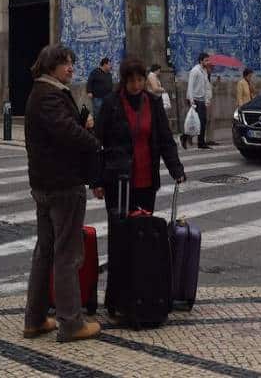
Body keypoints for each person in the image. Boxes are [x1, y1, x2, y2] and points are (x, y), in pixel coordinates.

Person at [24, 44, 101, 344]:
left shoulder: (42, 93)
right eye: (65, 63)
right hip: (62, 185)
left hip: (45, 185)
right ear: (50, 66)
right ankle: (71, 323)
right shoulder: (50, 96)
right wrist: (93, 138)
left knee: (45, 251)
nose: (71, 68)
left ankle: (35, 319)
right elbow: (67, 132)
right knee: (67, 254)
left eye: (71, 62)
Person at [93, 56, 185, 214]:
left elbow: (165, 139)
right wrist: (96, 181)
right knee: (121, 231)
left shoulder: (153, 103)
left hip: (147, 178)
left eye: (140, 80)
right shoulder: (111, 104)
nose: (136, 85)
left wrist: (176, 169)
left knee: (145, 230)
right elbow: (97, 142)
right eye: (131, 81)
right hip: (118, 180)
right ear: (124, 81)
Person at [184, 52, 212, 150]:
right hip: (195, 100)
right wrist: (191, 100)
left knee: (202, 122)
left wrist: (207, 99)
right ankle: (188, 138)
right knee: (196, 121)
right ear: (201, 61)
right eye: (206, 60)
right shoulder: (195, 71)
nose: (208, 62)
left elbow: (206, 86)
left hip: (201, 100)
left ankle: (200, 142)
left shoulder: (204, 71)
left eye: (208, 60)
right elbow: (190, 86)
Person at [86, 56, 114, 122]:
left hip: (107, 97)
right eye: (109, 64)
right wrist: (89, 92)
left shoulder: (109, 74)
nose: (111, 66)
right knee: (98, 114)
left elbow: (110, 84)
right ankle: (96, 128)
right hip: (98, 98)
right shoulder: (95, 72)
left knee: (107, 114)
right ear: (105, 64)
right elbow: (89, 82)